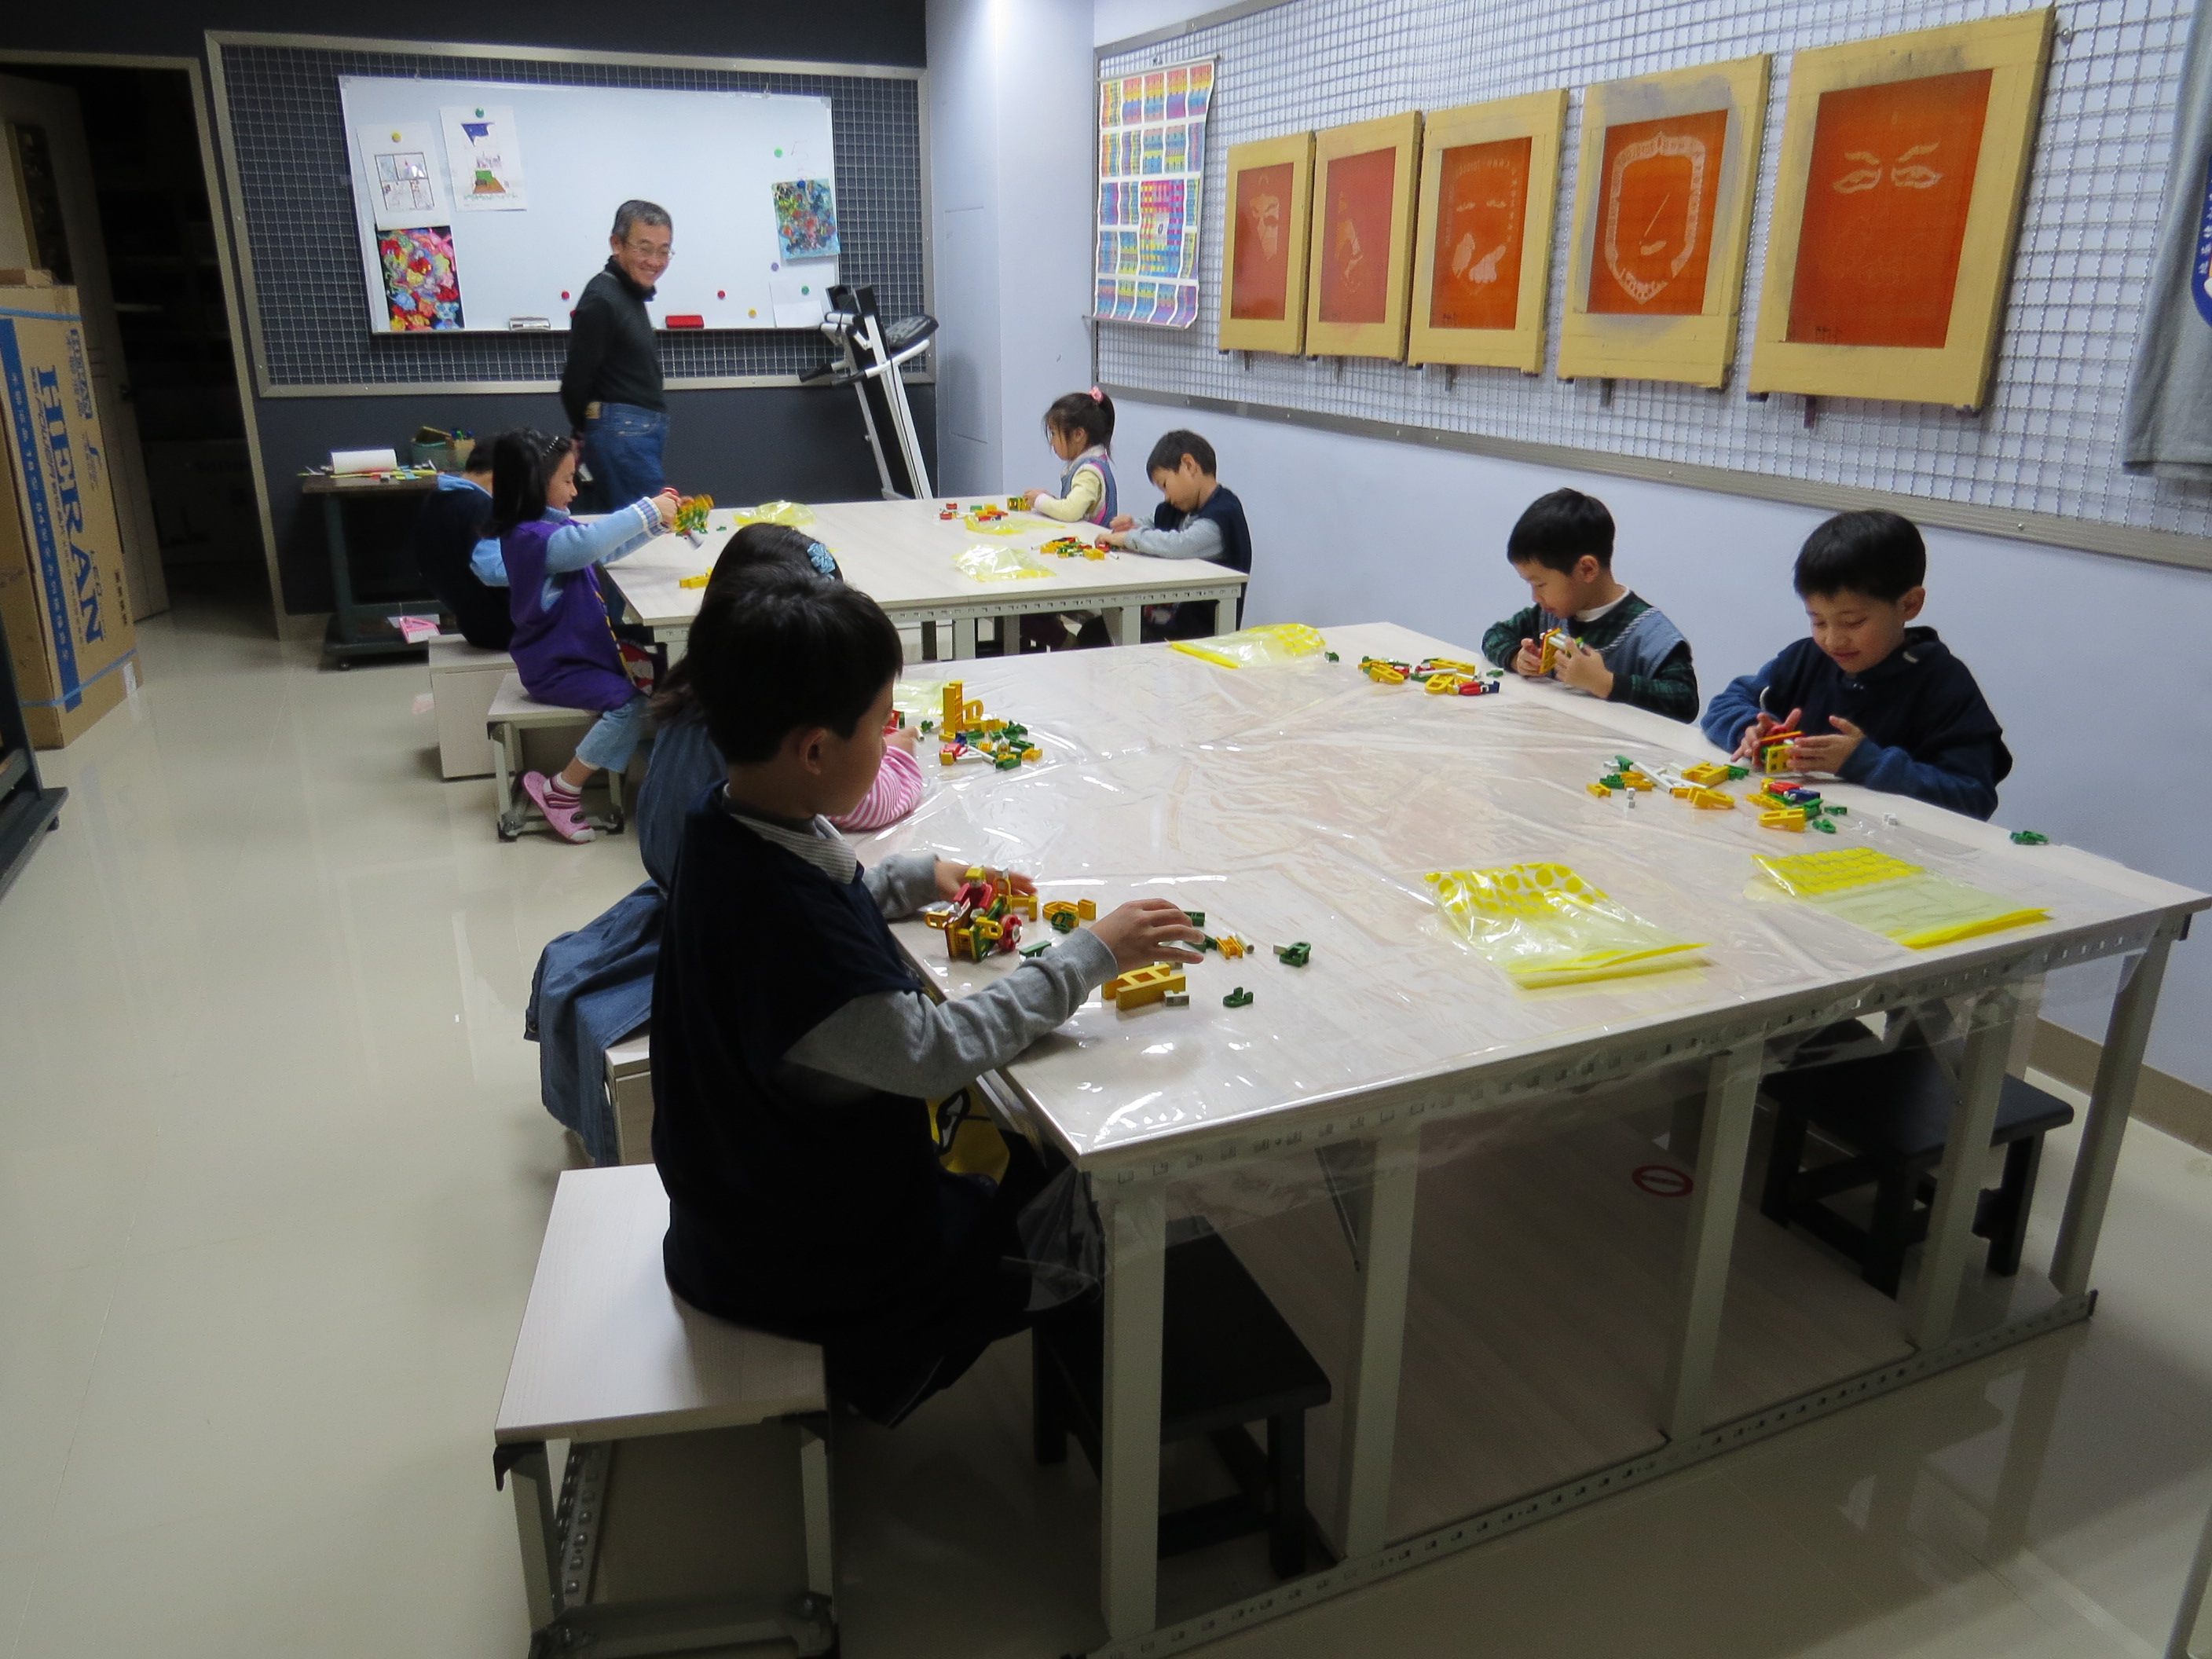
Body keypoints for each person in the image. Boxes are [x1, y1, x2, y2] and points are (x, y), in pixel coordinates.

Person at [651, 570, 1204, 1423]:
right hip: (796, 1263)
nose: (892, 738)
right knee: (1089, 1200)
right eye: (881, 722)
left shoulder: (727, 820)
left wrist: (913, 877)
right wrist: (1091, 955)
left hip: (732, 1208)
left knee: (1021, 1156)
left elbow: (815, 904)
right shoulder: (791, 935)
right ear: (814, 750)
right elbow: (932, 1052)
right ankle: (915, 1372)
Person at [526, 524, 921, 1164]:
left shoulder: (703, 700)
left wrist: (904, 878)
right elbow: (922, 1051)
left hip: (672, 892)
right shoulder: (778, 864)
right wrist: (897, 756)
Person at [1701, 510, 2010, 819]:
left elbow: (1973, 796)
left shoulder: (1942, 683)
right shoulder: (1806, 658)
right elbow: (1724, 705)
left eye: (1853, 622)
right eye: (1818, 621)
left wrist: (1866, 763)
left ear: (1909, 605)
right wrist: (1749, 730)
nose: (1833, 640)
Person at [489, 428, 676, 843]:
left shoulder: (546, 528)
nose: (575, 490)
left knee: (659, 687)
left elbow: (600, 550)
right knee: (629, 706)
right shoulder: (532, 539)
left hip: (580, 658)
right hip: (555, 668)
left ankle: (659, 769)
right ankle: (561, 789)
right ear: (537, 484)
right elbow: (588, 544)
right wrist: (648, 510)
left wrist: (654, 526)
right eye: (568, 480)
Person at [1481, 487, 1698, 723]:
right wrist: (1516, 658)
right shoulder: (1549, 615)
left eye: (1540, 584)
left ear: (1586, 570)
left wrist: (1606, 683)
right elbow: (1495, 635)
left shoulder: (1650, 635)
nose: (1535, 597)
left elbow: (1685, 701)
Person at [561, 200, 673, 513]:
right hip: (622, 433)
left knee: (642, 522)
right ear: (617, 244)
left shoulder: (628, 293)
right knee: (647, 524)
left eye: (664, 251)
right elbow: (575, 380)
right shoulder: (603, 298)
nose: (655, 261)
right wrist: (582, 431)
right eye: (644, 249)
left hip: (631, 431)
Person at [1102, 428, 1252, 641]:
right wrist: (1131, 526)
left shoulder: (1223, 514)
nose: (1167, 498)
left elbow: (1181, 544)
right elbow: (1151, 522)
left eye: (1165, 485)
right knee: (1097, 630)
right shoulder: (1178, 507)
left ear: (1189, 466)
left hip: (1197, 632)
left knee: (1104, 637)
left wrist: (1130, 538)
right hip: (1161, 621)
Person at [1021, 389, 1119, 651]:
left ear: (1078, 435)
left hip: (1088, 562)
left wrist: (1041, 501)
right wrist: (1051, 500)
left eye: (1055, 434)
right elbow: (1075, 507)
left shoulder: (1089, 470)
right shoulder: (1087, 463)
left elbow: (1071, 511)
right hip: (1079, 557)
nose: (1052, 442)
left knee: (1024, 611)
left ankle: (1068, 644)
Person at [409, 444, 510, 649]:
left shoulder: (436, 499)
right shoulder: (482, 507)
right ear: (496, 479)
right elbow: (494, 571)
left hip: (472, 625)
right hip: (508, 627)